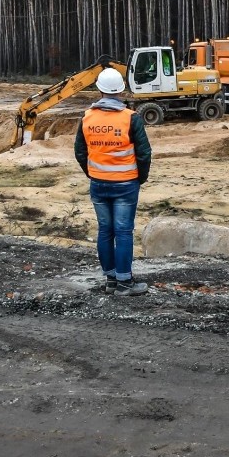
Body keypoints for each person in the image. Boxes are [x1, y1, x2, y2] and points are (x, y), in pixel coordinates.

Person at [74, 68, 152, 296]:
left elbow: (80, 151)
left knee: (105, 232)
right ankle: (125, 283)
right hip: (125, 185)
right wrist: (140, 178)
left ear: (99, 89)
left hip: (99, 184)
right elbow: (144, 153)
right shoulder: (130, 118)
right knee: (124, 232)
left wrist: (92, 174)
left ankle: (111, 280)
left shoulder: (87, 117)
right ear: (121, 90)